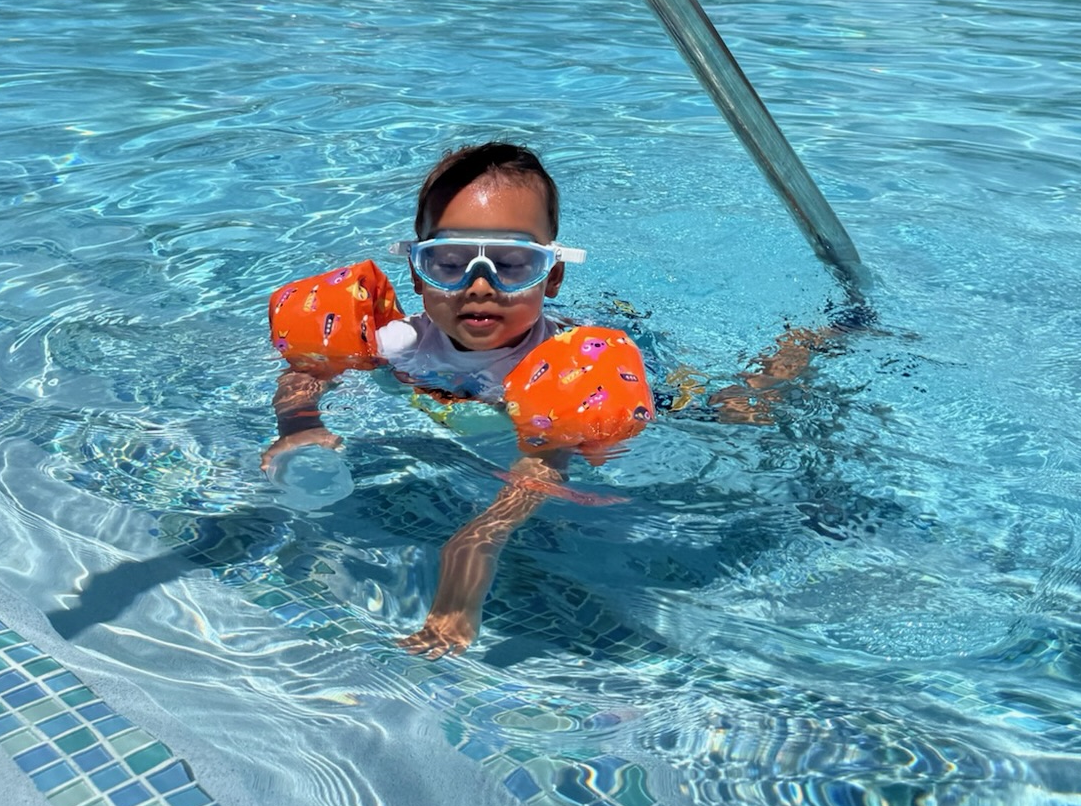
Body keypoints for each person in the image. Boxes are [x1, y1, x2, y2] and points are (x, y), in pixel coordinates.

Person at [261, 140, 836, 655]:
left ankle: (807, 342)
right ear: (417, 274)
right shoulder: (400, 344)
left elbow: (542, 466)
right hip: (489, 403)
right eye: (449, 263)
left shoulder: (561, 371)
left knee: (734, 415)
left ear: (551, 277)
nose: (479, 285)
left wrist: (475, 542)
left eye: (513, 265)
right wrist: (300, 425)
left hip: (616, 379)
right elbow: (306, 374)